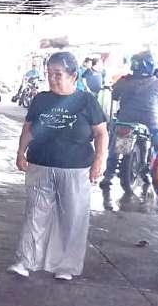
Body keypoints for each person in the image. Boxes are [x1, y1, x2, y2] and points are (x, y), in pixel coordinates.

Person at [11, 52, 108, 281]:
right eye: (49, 74)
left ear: (73, 76)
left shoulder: (87, 101)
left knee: (72, 218)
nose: (52, 79)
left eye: (58, 74)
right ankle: (25, 261)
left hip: (75, 169)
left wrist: (99, 161)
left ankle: (66, 266)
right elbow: (29, 128)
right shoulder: (40, 99)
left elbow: (101, 133)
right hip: (40, 165)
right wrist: (20, 152)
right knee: (35, 214)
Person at [102, 52, 158, 187]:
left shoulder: (124, 80)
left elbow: (115, 95)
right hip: (151, 123)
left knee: (115, 147)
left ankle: (108, 175)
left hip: (126, 121)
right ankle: (155, 171)